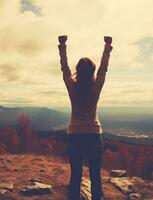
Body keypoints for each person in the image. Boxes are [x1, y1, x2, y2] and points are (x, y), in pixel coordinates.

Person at [58, 35, 113, 200]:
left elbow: (65, 69)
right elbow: (103, 69)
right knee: (95, 175)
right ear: (92, 71)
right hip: (94, 135)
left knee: (76, 175)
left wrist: (62, 45)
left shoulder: (72, 87)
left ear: (78, 70)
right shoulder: (96, 87)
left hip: (75, 135)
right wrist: (107, 47)